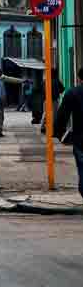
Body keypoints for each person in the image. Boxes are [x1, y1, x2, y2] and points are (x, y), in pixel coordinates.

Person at [53, 67, 83, 201]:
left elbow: (62, 116)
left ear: (79, 78)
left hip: (81, 139)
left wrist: (59, 134)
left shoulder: (73, 93)